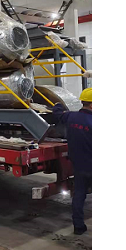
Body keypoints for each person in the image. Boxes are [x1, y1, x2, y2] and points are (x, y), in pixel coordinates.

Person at [52, 87, 92, 235]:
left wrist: (57, 103)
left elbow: (57, 114)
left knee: (79, 194)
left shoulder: (71, 117)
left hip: (79, 164)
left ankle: (78, 226)